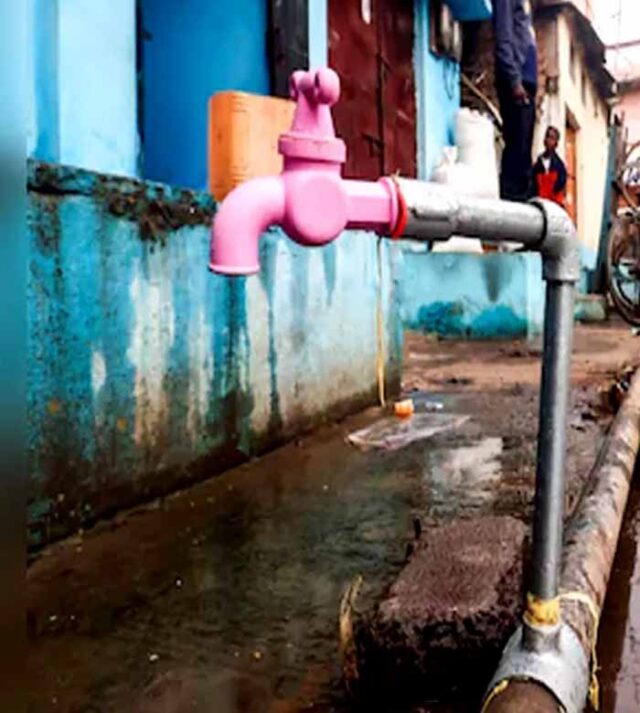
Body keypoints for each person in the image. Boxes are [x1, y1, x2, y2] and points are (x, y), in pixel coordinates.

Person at [493, 0, 538, 202]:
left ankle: (522, 197)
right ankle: (512, 198)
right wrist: (514, 80)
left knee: (524, 146)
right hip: (516, 81)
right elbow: (503, 37)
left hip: (527, 81)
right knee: (516, 145)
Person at [532, 126, 567, 206]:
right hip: (539, 205)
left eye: (552, 138)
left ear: (556, 143)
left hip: (554, 207)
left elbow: (560, 189)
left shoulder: (560, 167)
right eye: (547, 136)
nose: (549, 140)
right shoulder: (537, 165)